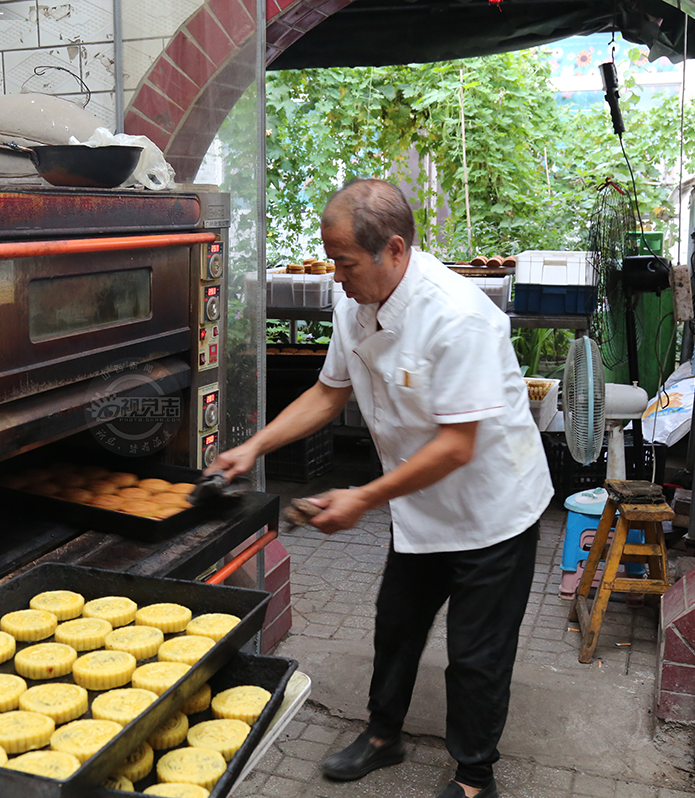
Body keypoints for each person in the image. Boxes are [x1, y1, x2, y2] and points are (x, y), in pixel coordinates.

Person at [209, 179, 552, 798]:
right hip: (418, 501)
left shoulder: (460, 317)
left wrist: (362, 497)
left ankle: (476, 777)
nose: (336, 276)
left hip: (491, 510)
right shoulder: (355, 304)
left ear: (393, 250)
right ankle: (382, 735)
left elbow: (457, 445)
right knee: (395, 624)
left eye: (344, 262)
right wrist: (252, 447)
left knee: (475, 654)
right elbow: (328, 392)